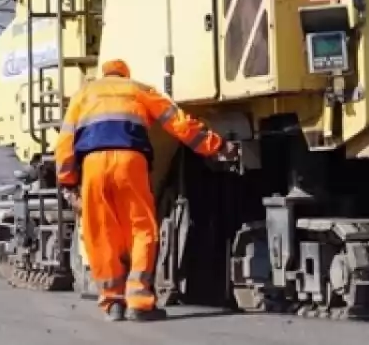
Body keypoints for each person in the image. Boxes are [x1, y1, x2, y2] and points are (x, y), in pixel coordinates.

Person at [54, 58, 236, 322]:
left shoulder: (83, 94)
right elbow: (180, 124)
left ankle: (112, 303)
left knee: (101, 232)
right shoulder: (138, 89)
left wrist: (68, 181)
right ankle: (139, 302)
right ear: (125, 74)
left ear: (104, 75)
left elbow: (64, 144)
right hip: (130, 161)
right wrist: (217, 146)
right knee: (141, 229)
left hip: (93, 165)